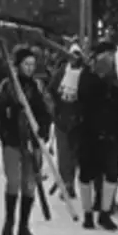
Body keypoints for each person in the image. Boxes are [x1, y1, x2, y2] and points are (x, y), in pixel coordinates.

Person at [77, 41, 118, 231]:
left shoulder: (116, 81)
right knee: (87, 173)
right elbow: (83, 99)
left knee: (112, 172)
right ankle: (88, 214)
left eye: (112, 55)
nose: (110, 59)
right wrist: (99, 80)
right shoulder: (87, 77)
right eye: (106, 55)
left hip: (113, 132)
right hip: (89, 132)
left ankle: (105, 213)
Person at [0, 47, 52, 235]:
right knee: (14, 181)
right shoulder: (7, 86)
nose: (30, 68)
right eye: (26, 64)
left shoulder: (37, 87)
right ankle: (9, 221)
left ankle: (24, 225)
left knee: (29, 183)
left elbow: (45, 111)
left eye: (33, 65)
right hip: (12, 139)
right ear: (18, 66)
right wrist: (9, 110)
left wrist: (43, 128)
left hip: (32, 141)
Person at [47, 43, 85, 201]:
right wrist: (54, 109)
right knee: (64, 154)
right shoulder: (61, 72)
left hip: (78, 121)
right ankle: (66, 184)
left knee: (75, 155)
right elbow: (50, 91)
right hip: (62, 120)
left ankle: (70, 182)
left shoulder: (85, 74)